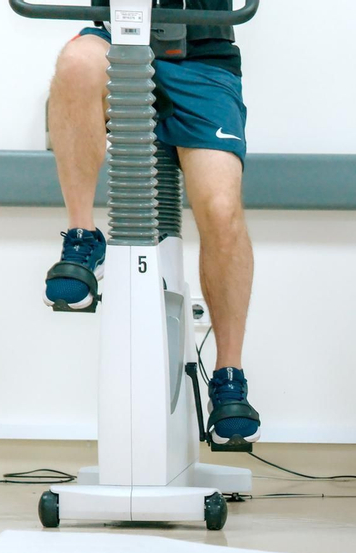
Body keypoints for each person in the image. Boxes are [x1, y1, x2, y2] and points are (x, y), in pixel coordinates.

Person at [43, 0, 260, 445]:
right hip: (117, 39)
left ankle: (229, 373)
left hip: (204, 56)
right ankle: (84, 236)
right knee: (76, 62)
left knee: (221, 210)